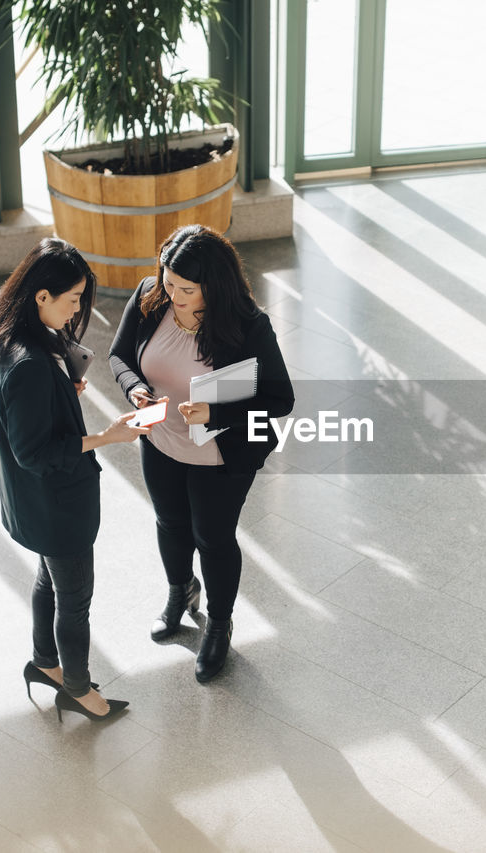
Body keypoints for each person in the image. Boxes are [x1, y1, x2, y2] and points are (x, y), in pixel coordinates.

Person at [110, 225, 294, 683]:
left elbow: (281, 399)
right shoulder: (151, 296)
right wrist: (135, 391)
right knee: (170, 523)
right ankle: (180, 592)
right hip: (161, 441)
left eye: (185, 288)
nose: (172, 293)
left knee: (213, 538)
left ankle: (219, 623)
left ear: (213, 286)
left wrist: (214, 410)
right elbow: (119, 357)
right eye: (168, 281)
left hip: (221, 453)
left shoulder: (247, 325)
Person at [0, 238, 146, 722]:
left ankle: (45, 663)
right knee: (74, 599)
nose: (76, 311)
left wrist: (58, 392)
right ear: (41, 296)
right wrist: (107, 438)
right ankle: (77, 690)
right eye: (71, 299)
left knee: (48, 579)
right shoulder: (29, 363)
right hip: (56, 504)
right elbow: (36, 452)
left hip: (28, 501)